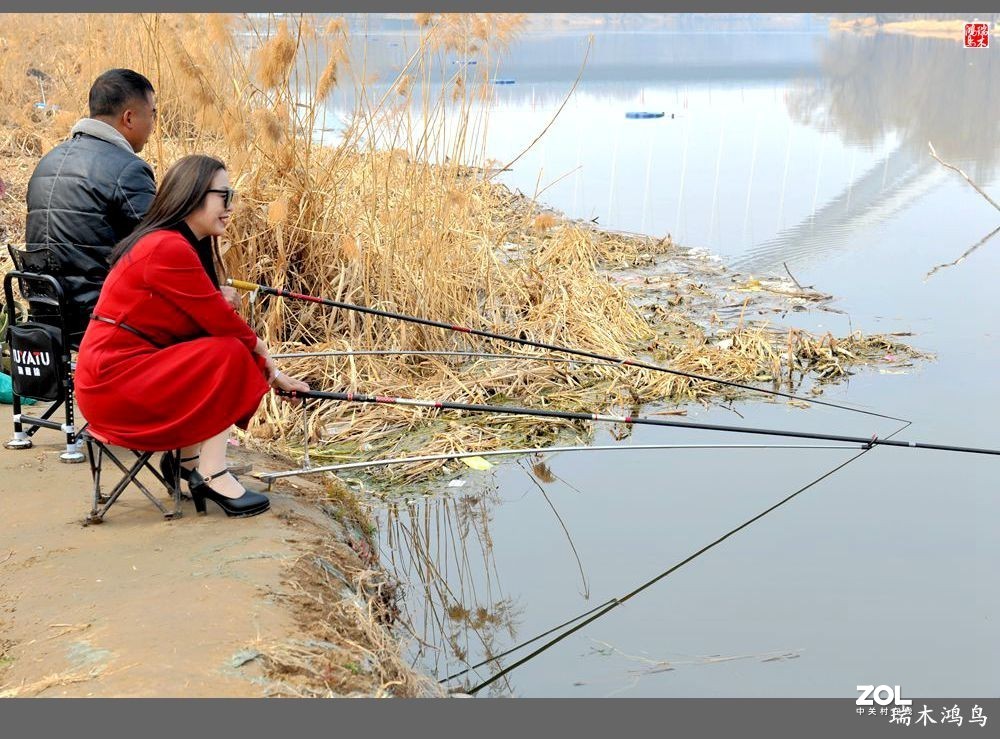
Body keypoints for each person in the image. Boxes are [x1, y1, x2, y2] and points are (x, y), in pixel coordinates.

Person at [74, 155, 309, 518]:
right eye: (224, 196)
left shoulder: (170, 243)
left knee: (222, 350)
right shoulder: (166, 246)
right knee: (232, 352)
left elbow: (200, 323)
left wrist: (267, 366)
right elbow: (227, 328)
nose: (231, 207)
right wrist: (271, 367)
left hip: (114, 377)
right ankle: (211, 473)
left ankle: (188, 462)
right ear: (193, 194)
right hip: (114, 385)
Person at [24, 69, 158, 333]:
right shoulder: (129, 169)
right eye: (153, 113)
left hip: (46, 317)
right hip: (103, 319)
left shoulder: (47, 162)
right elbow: (162, 247)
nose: (154, 125)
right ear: (129, 117)